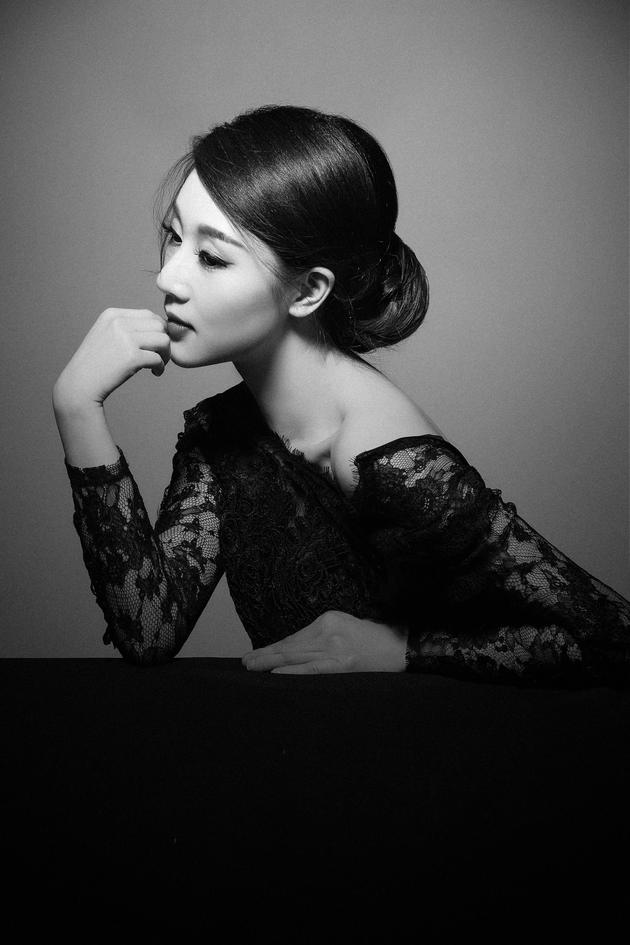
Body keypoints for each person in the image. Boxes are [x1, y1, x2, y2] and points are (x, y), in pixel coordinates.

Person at [53, 104, 630, 685]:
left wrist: (407, 650)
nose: (167, 278)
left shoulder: (384, 457)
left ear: (308, 291)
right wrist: (77, 406)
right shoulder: (224, 428)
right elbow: (149, 629)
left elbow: (613, 637)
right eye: (174, 238)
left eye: (211, 257)